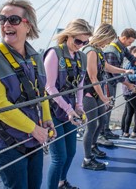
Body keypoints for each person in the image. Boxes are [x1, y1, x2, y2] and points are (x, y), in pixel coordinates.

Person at [0, 0, 56, 188]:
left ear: (28, 26)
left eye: (13, 19)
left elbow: (41, 91)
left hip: (33, 139)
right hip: (9, 143)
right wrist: (36, 130)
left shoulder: (35, 57)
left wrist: (46, 118)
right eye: (2, 19)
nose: (6, 24)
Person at [44, 19, 93, 189]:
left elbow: (80, 84)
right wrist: (68, 108)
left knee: (71, 152)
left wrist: (79, 106)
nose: (81, 45)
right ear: (68, 36)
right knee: (59, 158)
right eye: (78, 41)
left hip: (70, 110)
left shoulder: (82, 57)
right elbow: (49, 87)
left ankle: (61, 183)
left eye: (85, 42)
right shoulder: (54, 54)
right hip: (53, 111)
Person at [81, 23, 134, 170]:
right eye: (108, 39)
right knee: (91, 125)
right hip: (88, 93)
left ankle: (93, 146)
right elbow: (92, 77)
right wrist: (104, 97)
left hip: (96, 92)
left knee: (102, 121)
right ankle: (87, 159)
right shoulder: (90, 51)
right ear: (103, 36)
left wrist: (124, 71)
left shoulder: (98, 50)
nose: (108, 43)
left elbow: (106, 67)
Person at [101, 28, 136, 142]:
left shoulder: (121, 47)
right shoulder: (112, 50)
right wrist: (129, 85)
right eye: (130, 42)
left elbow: (130, 56)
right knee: (107, 106)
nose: (131, 44)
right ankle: (102, 132)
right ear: (124, 38)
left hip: (112, 81)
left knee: (110, 105)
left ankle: (106, 130)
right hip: (107, 81)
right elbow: (114, 73)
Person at [121, 46, 136, 138]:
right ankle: (135, 131)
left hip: (130, 91)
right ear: (132, 55)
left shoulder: (135, 64)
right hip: (131, 91)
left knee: (129, 112)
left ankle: (126, 132)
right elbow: (131, 77)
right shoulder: (129, 65)